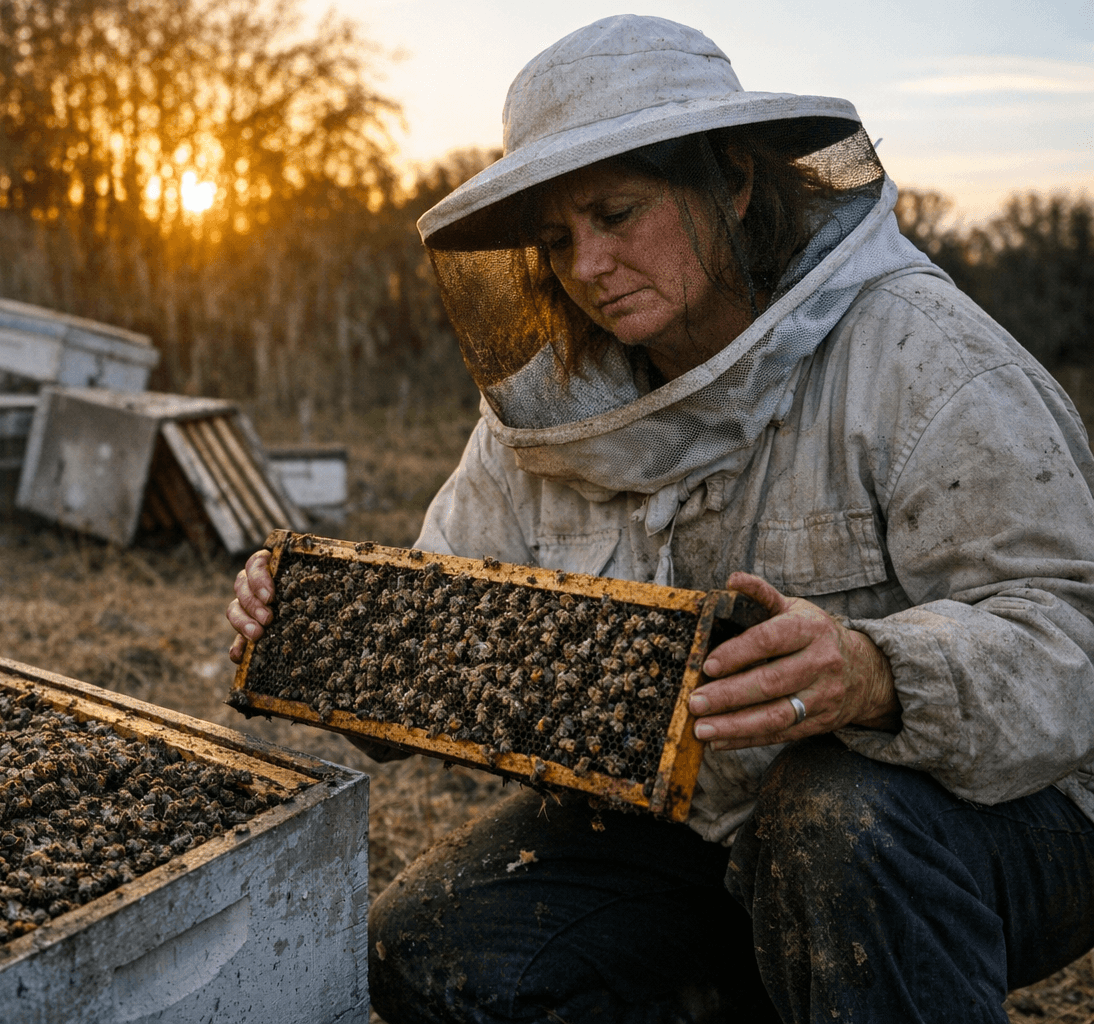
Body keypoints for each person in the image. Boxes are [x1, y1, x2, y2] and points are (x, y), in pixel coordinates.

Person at [227, 15, 1094, 1024]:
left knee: (833, 821)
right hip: (706, 824)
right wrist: (320, 632)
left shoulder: (923, 357)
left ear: (731, 181)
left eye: (618, 213)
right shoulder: (545, 418)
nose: (587, 263)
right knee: (430, 949)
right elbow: (437, 622)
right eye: (558, 239)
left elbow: (1070, 634)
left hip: (992, 815)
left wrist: (875, 670)